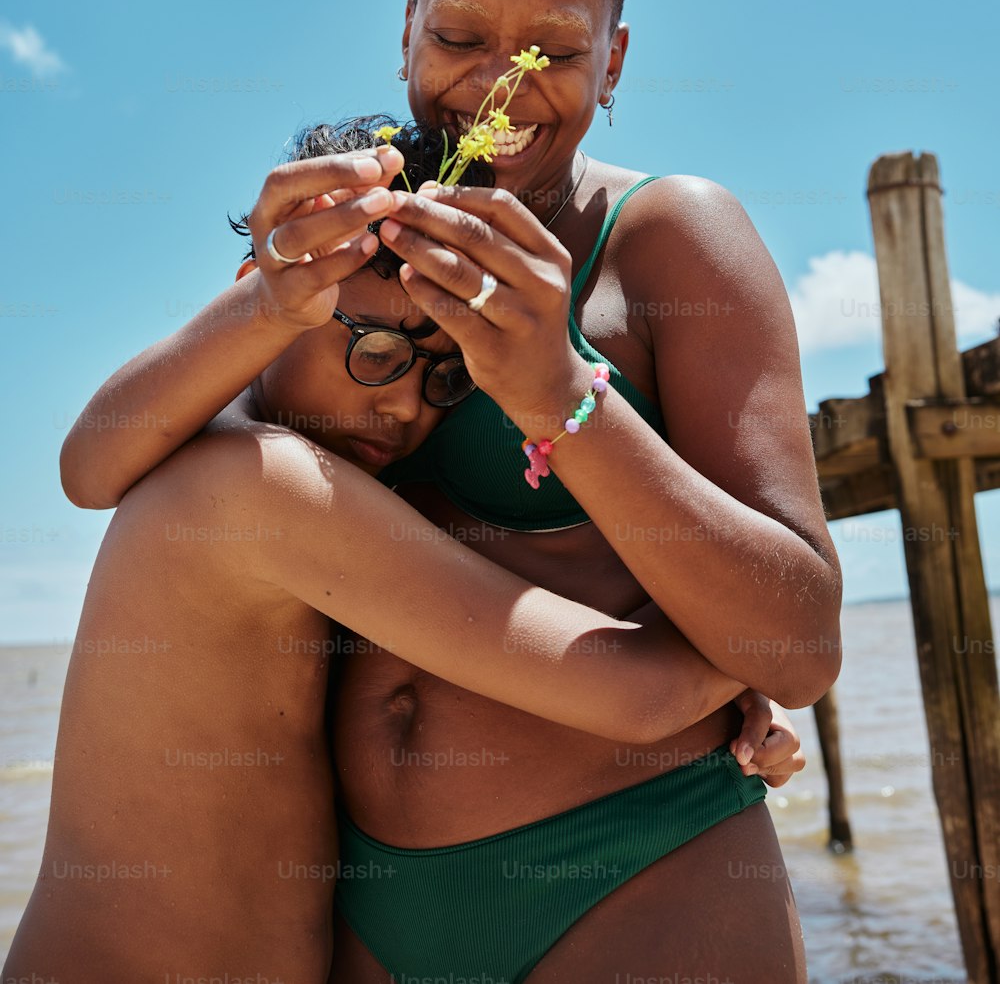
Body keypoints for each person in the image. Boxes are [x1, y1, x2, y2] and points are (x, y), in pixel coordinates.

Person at [58, 0, 838, 981]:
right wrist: (267, 295)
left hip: (635, 868)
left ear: (613, 59)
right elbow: (108, 463)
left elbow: (799, 641)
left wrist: (553, 387)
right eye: (460, 36)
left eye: (555, 52)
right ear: (407, 30)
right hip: (365, 904)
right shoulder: (356, 252)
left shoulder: (665, 239)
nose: (500, 86)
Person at [3, 119, 786, 984]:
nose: (407, 404)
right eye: (374, 351)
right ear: (267, 296)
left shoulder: (249, 461)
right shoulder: (264, 480)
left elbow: (90, 463)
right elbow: (637, 696)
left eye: (446, 377)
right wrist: (750, 649)